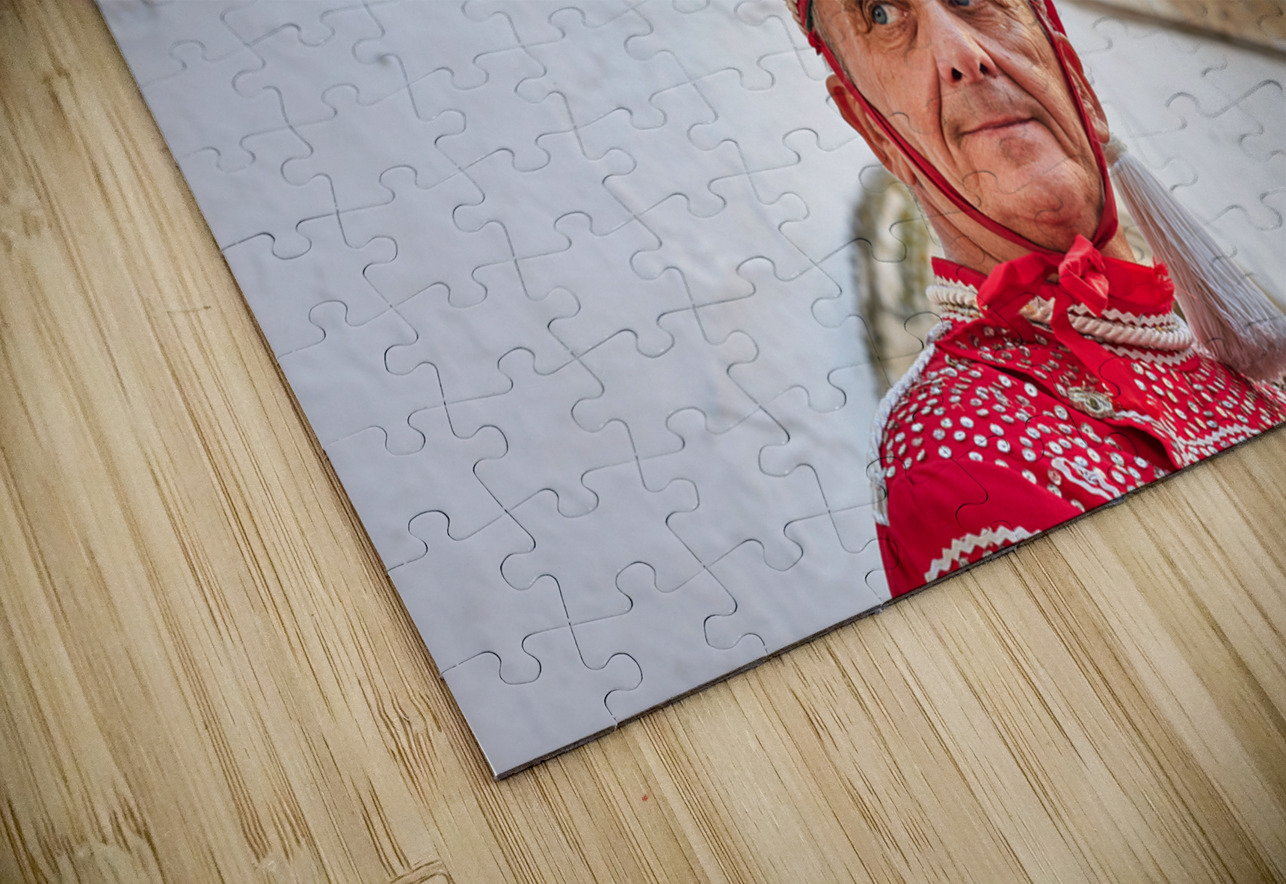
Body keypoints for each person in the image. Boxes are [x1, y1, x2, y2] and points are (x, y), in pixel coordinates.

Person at [788, 0, 1286, 594]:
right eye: (883, 15)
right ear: (875, 131)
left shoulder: (1247, 373)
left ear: (1071, 69)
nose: (963, 56)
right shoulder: (953, 440)